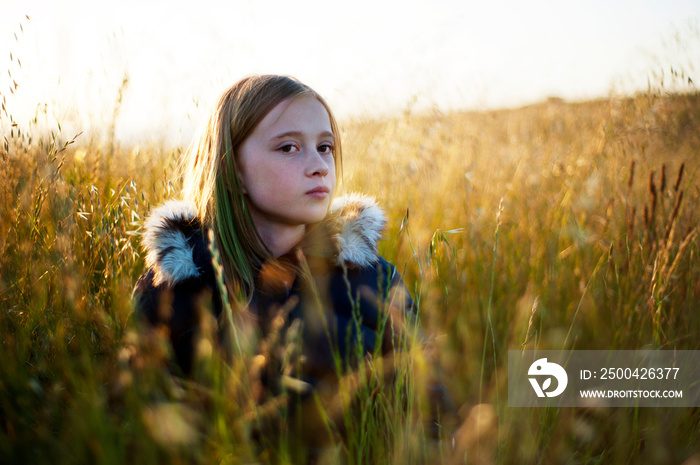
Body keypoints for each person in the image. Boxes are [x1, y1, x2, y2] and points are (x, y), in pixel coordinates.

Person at [132, 75, 455, 454]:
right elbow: (140, 428)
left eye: (325, 147)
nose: (318, 165)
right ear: (233, 168)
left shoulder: (371, 276)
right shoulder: (177, 287)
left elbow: (434, 418)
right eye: (288, 147)